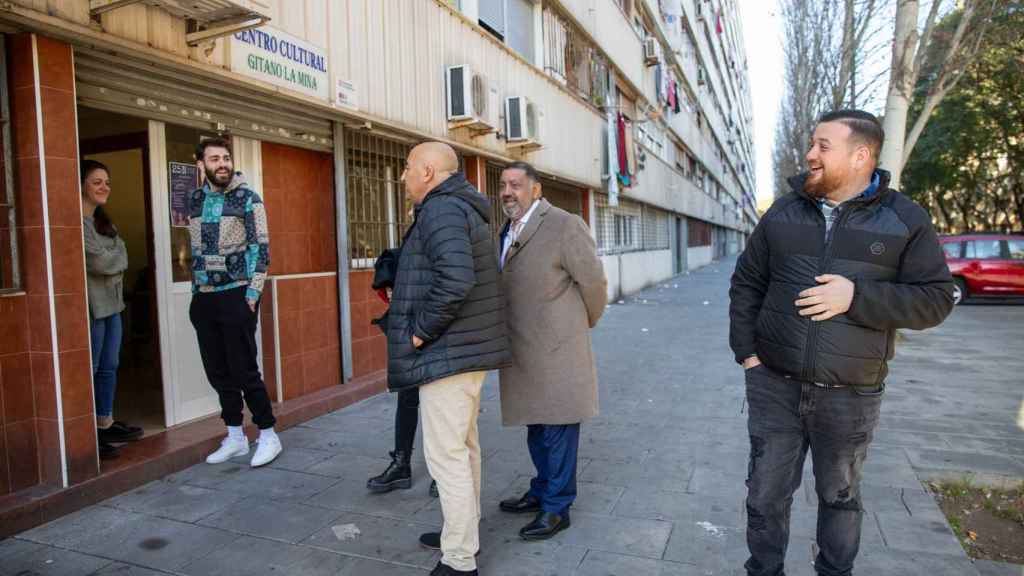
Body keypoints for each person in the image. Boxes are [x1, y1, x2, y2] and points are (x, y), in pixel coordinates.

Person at [729, 109, 954, 576]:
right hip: (774, 386)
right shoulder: (784, 211)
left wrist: (856, 296)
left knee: (840, 499)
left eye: (822, 146)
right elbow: (747, 283)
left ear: (861, 155)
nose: (810, 154)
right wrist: (747, 354)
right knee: (765, 496)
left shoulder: (905, 219)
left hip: (851, 395)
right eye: (811, 144)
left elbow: (935, 299)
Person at [387, 141, 510, 576]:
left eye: (406, 167)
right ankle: (461, 533)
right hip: (463, 350)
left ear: (427, 171)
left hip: (449, 352)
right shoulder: (458, 206)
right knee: (463, 449)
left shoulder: (441, 210)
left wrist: (420, 333)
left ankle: (459, 560)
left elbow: (456, 280)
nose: (402, 176)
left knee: (447, 456)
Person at [494, 162, 607, 540]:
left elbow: (594, 282)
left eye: (516, 185)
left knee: (558, 428)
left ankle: (558, 508)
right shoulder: (507, 230)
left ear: (536, 190)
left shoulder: (564, 224)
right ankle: (542, 489)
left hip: (557, 350)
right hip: (523, 350)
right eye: (503, 185)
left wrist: (578, 327)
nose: (508, 191)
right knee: (536, 426)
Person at [188, 137, 281, 468]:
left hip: (237, 294)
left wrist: (252, 296)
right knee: (218, 371)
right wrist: (196, 293)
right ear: (202, 165)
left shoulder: (248, 199)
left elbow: (262, 249)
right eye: (215, 159)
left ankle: (268, 433)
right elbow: (195, 250)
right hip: (205, 299)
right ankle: (235, 436)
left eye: (226, 157)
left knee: (243, 369)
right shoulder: (194, 200)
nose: (222, 163)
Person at [81, 160, 144, 460]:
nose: (104, 187)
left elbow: (122, 254)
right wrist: (112, 259)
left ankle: (104, 423)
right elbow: (98, 261)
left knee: (109, 367)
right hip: (92, 307)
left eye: (107, 181)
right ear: (81, 185)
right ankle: (87, 433)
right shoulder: (74, 222)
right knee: (91, 369)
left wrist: (112, 259)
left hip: (113, 305)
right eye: (97, 181)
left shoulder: (104, 222)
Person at [366, 248, 438, 498]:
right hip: (407, 331)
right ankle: (401, 463)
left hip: (439, 331)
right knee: (407, 398)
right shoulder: (406, 250)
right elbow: (388, 268)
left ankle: (444, 472)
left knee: (440, 405)